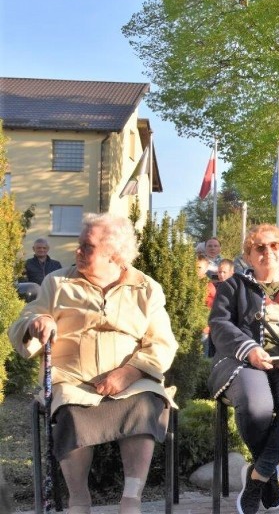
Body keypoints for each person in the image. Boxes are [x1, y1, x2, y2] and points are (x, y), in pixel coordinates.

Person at [9, 213, 178, 514]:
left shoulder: (146, 288)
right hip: (73, 381)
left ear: (114, 254)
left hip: (132, 380)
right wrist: (38, 321)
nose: (77, 252)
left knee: (145, 405)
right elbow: (24, 320)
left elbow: (163, 343)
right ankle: (79, 501)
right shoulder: (58, 282)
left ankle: (131, 499)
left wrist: (130, 372)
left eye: (86, 247)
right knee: (72, 414)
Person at [207, 224, 279, 513]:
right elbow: (219, 326)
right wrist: (250, 350)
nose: (268, 252)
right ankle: (270, 473)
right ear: (248, 255)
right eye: (260, 247)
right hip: (243, 362)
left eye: (274, 246)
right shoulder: (232, 286)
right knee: (256, 405)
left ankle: (258, 476)